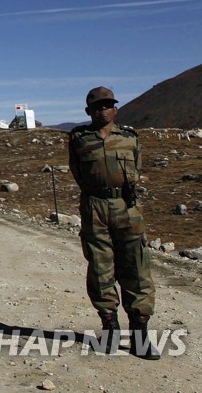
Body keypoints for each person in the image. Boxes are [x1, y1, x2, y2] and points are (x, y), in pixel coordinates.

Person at [67, 86, 158, 359]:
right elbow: (77, 171)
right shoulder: (79, 138)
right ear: (88, 111)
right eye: (97, 106)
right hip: (94, 207)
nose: (103, 109)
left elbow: (137, 169)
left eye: (108, 105)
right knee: (99, 267)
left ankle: (140, 331)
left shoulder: (130, 137)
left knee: (136, 266)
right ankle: (110, 327)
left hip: (127, 207)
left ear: (116, 109)